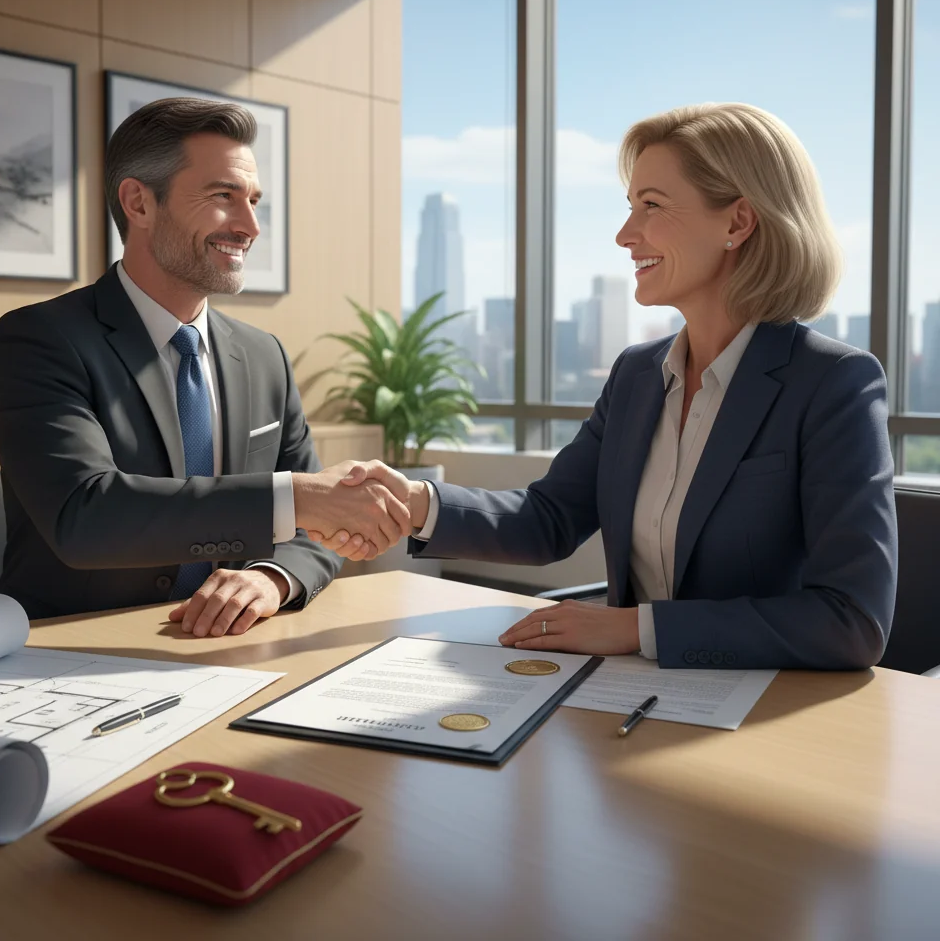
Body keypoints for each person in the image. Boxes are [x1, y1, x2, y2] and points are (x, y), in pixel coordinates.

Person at [312, 103, 897, 670]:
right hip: (623, 698)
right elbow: (548, 520)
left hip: (761, 716)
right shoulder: (637, 375)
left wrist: (634, 629)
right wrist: (415, 502)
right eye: (630, 206)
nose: (625, 234)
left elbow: (851, 621)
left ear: (737, 222)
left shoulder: (832, 382)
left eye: (651, 205)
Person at [0, 97, 410, 635]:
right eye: (223, 197)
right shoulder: (39, 339)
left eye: (254, 201)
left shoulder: (265, 356)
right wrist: (297, 497)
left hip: (232, 651)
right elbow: (85, 515)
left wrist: (272, 578)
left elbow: (312, 532)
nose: (251, 225)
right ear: (139, 203)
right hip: (71, 655)